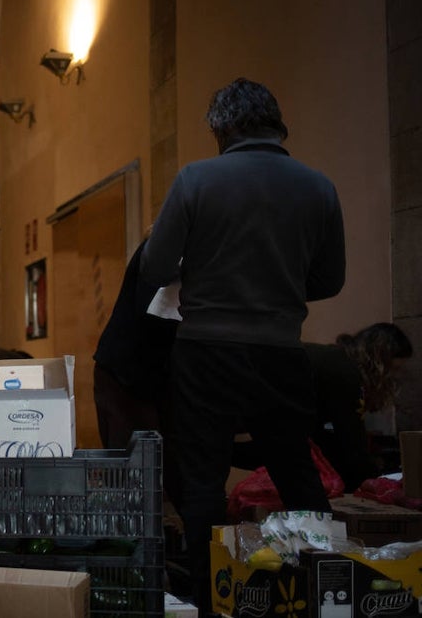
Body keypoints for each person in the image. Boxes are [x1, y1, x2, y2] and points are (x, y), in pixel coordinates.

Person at [140, 77, 346, 615]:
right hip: (281, 351)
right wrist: (275, 283)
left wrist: (204, 270)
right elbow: (329, 281)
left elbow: (154, 268)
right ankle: (328, 595)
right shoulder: (319, 186)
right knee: (297, 473)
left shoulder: (197, 180)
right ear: (277, 126)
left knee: (203, 478)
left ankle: (216, 600)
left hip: (206, 350)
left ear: (224, 128)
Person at [235, 322, 414, 492]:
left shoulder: (332, 362)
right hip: (241, 399)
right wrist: (376, 483)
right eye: (393, 370)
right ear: (379, 362)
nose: (394, 379)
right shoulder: (344, 372)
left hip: (234, 390)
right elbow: (350, 441)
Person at [91, 237, 178, 450]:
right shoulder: (165, 248)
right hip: (127, 377)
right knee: (136, 474)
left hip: (156, 378)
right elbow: (154, 318)